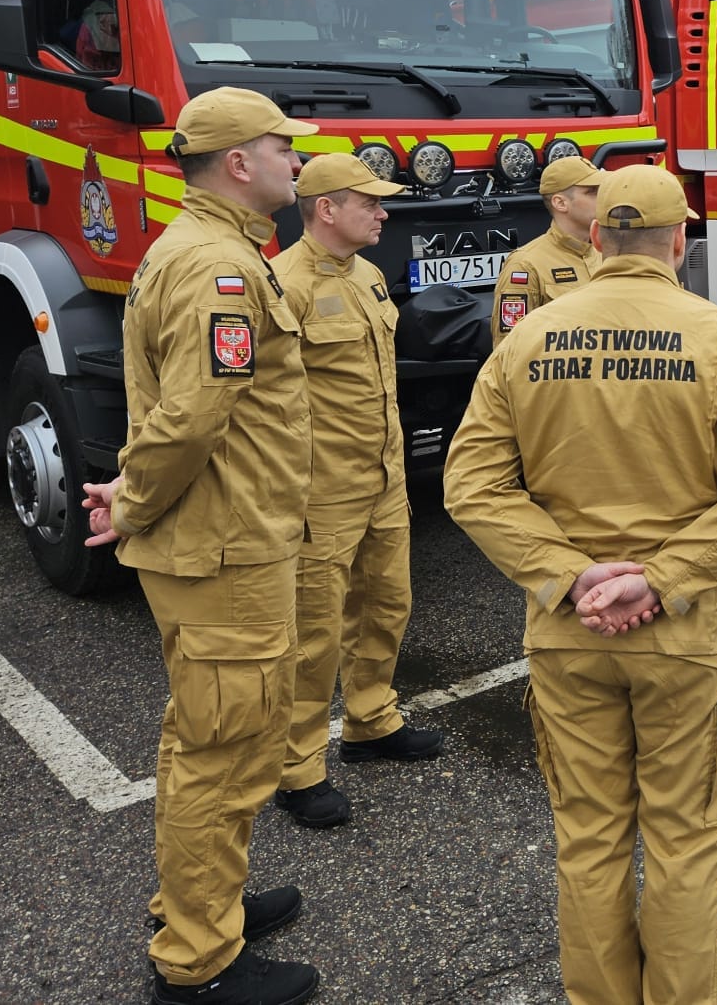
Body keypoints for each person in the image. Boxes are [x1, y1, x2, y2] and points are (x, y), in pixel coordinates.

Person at [443, 163, 717, 1005]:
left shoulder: (529, 338)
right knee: (686, 844)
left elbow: (472, 487)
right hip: (685, 636)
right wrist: (660, 580)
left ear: (598, 237)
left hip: (570, 630)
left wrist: (570, 577)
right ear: (681, 242)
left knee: (589, 839)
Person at [81, 87, 319, 1005]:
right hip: (225, 546)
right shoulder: (219, 267)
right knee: (223, 748)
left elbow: (170, 406)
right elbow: (189, 418)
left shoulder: (197, 248)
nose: (296, 161)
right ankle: (198, 961)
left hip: (226, 537)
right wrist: (135, 502)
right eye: (283, 147)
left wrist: (130, 489)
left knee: (215, 734)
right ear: (238, 163)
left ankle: (203, 900)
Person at [270, 154, 445, 832]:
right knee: (313, 636)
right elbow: (264, 401)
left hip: (383, 479)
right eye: (369, 203)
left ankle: (371, 721)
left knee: (385, 605)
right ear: (326, 209)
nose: (383, 212)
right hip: (323, 489)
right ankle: (298, 769)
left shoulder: (368, 275)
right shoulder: (283, 285)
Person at [490, 155, 606, 342]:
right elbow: (509, 347)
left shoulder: (608, 254)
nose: (604, 198)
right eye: (592, 192)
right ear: (560, 203)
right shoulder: (525, 265)